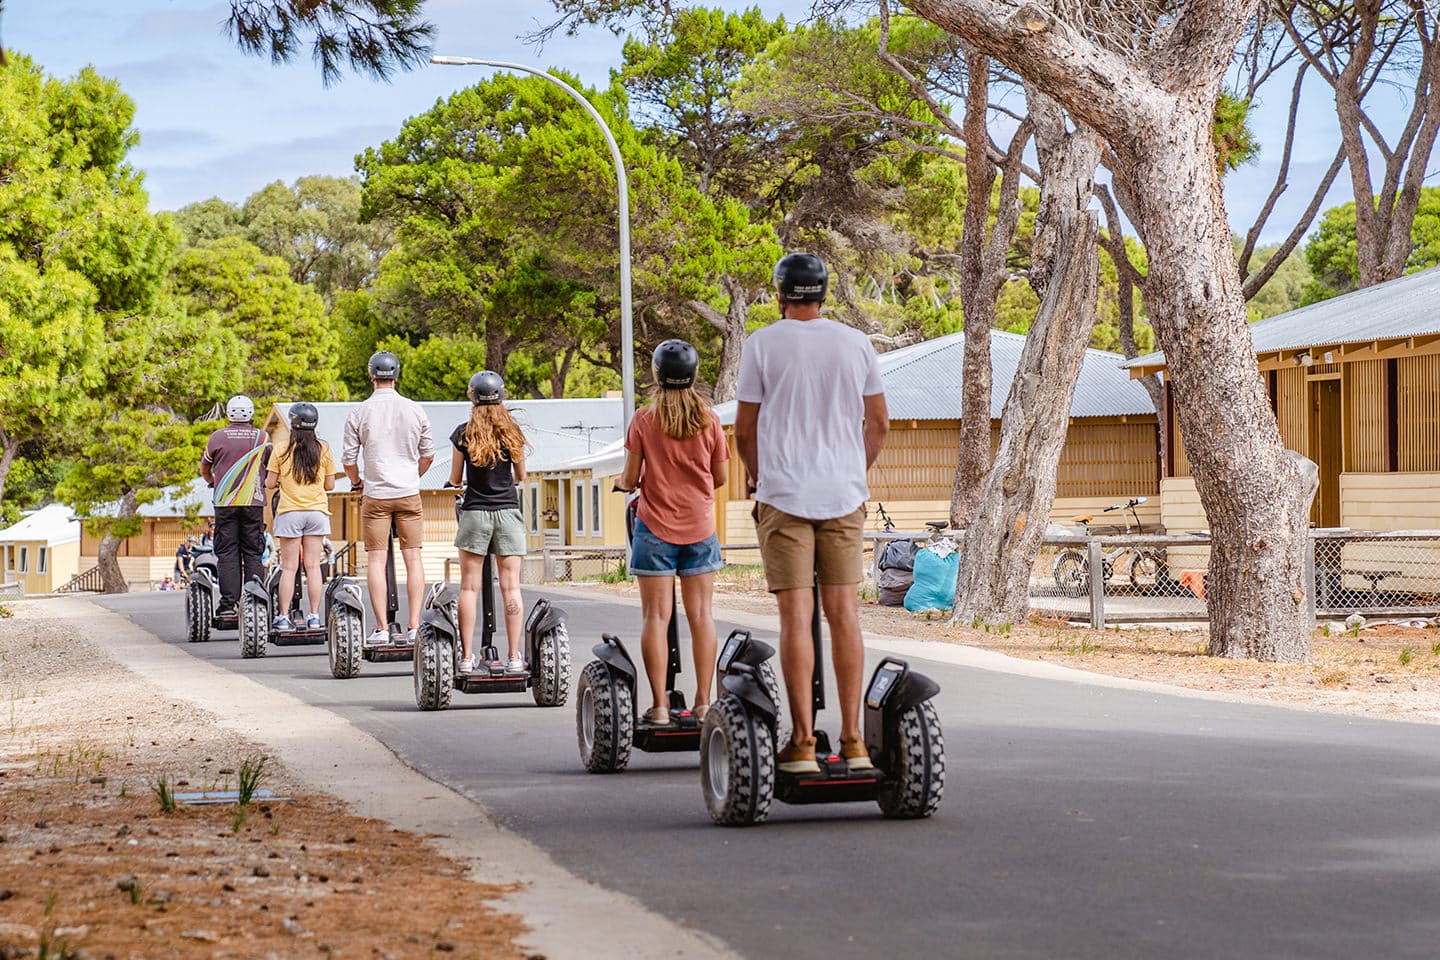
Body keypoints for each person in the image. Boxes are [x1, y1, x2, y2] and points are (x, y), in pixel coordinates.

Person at [734, 253, 889, 775]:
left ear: (780, 294)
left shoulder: (761, 344)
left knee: (795, 618)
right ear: (823, 293)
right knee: (845, 616)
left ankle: (801, 744)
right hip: (844, 496)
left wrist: (759, 477)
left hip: (783, 495)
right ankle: (853, 742)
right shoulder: (856, 342)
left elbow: (744, 430)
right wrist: (852, 467)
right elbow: (879, 424)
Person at [614, 340, 728, 725]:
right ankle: (703, 703)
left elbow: (630, 479)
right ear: (694, 375)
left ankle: (660, 706)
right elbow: (721, 477)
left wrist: (626, 481)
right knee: (701, 616)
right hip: (700, 527)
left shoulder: (643, 421)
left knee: (656, 618)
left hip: (655, 530)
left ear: (657, 374)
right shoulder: (710, 421)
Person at [342, 351, 435, 645]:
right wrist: (412, 475)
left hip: (376, 494)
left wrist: (357, 482)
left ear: (371, 376)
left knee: (376, 560)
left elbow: (348, 459)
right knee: (414, 558)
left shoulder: (359, 412)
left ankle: (382, 627)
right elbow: (429, 454)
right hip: (408, 492)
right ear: (396, 376)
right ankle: (414, 626)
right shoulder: (414, 409)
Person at [449, 371, 530, 674]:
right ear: (501, 397)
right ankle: (512, 656)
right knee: (511, 587)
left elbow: (457, 479)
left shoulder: (463, 433)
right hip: (507, 513)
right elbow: (520, 476)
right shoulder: (512, 432)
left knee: (469, 588)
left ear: (472, 397)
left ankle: (468, 658)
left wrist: (457, 483)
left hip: (475, 513)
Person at [264, 402, 339, 631]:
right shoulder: (323, 449)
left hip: (290, 512)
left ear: (293, 423)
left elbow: (268, 483)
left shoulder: (280, 449)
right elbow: (330, 484)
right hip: (316, 512)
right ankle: (314, 616)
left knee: (289, 568)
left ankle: (284, 617)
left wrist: (282, 481)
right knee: (314, 566)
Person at [199, 395, 270, 617]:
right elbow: (271, 467)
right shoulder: (262, 437)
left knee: (227, 552)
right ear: (251, 413)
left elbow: (204, 469)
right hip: (253, 501)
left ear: (229, 413)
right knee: (252, 551)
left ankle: (229, 603)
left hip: (225, 503)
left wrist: (213, 482)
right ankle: (254, 600)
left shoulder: (216, 437)